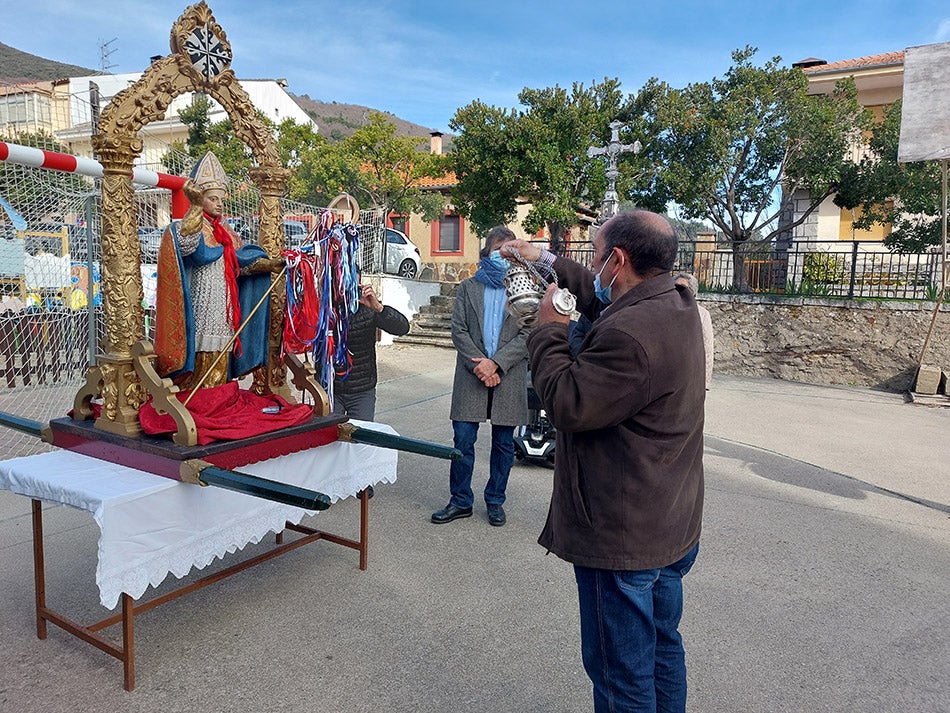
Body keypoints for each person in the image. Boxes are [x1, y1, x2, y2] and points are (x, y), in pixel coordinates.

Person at [502, 211, 705, 713]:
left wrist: (547, 330)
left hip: (625, 535)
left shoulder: (631, 334)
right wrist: (542, 258)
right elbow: (599, 298)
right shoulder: (673, 303)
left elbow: (569, 404)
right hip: (669, 521)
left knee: (621, 674)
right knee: (661, 650)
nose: (592, 267)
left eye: (596, 256)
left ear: (618, 260)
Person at [155, 152, 281, 389]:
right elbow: (187, 246)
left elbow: (240, 266)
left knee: (222, 351)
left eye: (221, 199)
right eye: (212, 198)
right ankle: (199, 395)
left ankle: (219, 393)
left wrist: (271, 265)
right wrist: (193, 207)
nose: (219, 204)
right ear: (198, 198)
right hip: (201, 303)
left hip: (225, 305)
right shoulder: (189, 226)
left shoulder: (225, 232)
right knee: (203, 350)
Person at [431, 225, 529, 527]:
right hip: (470, 374)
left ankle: (495, 501)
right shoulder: (468, 287)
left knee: (503, 445)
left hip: (507, 376)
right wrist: (480, 365)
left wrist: (496, 364)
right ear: (486, 252)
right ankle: (460, 500)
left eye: (507, 251)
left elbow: (529, 332)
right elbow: (458, 330)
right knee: (463, 440)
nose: (501, 256)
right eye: (496, 249)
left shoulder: (523, 288)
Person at [332, 273, 410, 421]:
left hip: (362, 390)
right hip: (331, 389)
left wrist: (379, 308)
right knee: (329, 437)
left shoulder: (370, 307)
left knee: (363, 437)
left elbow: (403, 328)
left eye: (353, 284)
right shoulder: (327, 308)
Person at [674, 272, 714, 389]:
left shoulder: (702, 315)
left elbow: (707, 348)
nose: (678, 292)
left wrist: (705, 381)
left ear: (693, 293)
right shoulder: (663, 311)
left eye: (683, 289)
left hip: (690, 376)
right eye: (675, 288)